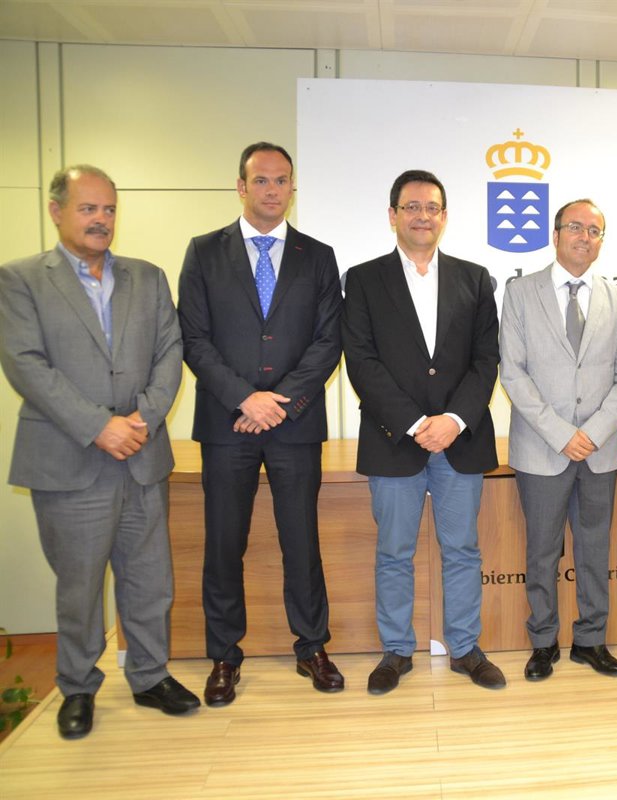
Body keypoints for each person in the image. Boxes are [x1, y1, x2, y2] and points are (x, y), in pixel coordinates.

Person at [0, 165, 199, 739]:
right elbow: (25, 364)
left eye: (108, 209)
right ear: (56, 210)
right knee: (80, 585)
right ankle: (78, 687)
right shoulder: (21, 280)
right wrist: (99, 427)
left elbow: (170, 352)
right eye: (88, 208)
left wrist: (142, 418)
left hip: (141, 455)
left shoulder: (147, 277)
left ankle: (150, 676)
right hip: (70, 459)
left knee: (150, 579)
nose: (101, 219)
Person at [178, 142, 345, 705]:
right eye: (261, 180)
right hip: (227, 425)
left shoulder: (317, 256)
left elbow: (328, 341)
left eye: (282, 180)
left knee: (302, 541)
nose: (273, 190)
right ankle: (224, 656)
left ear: (292, 188)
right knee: (225, 544)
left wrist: (280, 402)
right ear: (241, 186)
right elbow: (194, 339)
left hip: (295, 425)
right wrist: (245, 399)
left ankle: (312, 647)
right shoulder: (205, 252)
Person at [342, 169, 506, 691]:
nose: (422, 216)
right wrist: (415, 424)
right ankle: (396, 650)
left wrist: (453, 420)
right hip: (394, 439)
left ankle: (465, 648)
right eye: (411, 207)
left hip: (460, 440)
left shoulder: (474, 278)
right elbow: (361, 361)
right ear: (393, 215)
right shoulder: (363, 280)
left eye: (431, 207)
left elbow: (486, 359)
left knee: (463, 550)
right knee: (394, 552)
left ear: (444, 216)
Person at [499, 199, 617, 681]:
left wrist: (593, 433)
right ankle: (543, 642)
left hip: (599, 451)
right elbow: (513, 373)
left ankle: (590, 640)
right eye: (575, 227)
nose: (584, 237)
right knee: (542, 551)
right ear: (555, 234)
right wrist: (562, 434)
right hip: (542, 449)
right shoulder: (520, 293)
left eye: (594, 230)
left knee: (595, 550)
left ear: (602, 241)